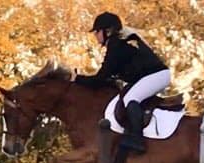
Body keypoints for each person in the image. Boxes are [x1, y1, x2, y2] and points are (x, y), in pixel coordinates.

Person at [72, 12, 171, 152]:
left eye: (97, 31)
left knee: (131, 98)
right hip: (151, 76)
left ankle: (137, 139)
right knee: (127, 95)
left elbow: (100, 78)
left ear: (108, 31)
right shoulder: (121, 42)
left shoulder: (117, 45)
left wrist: (76, 78)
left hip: (157, 76)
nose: (95, 35)